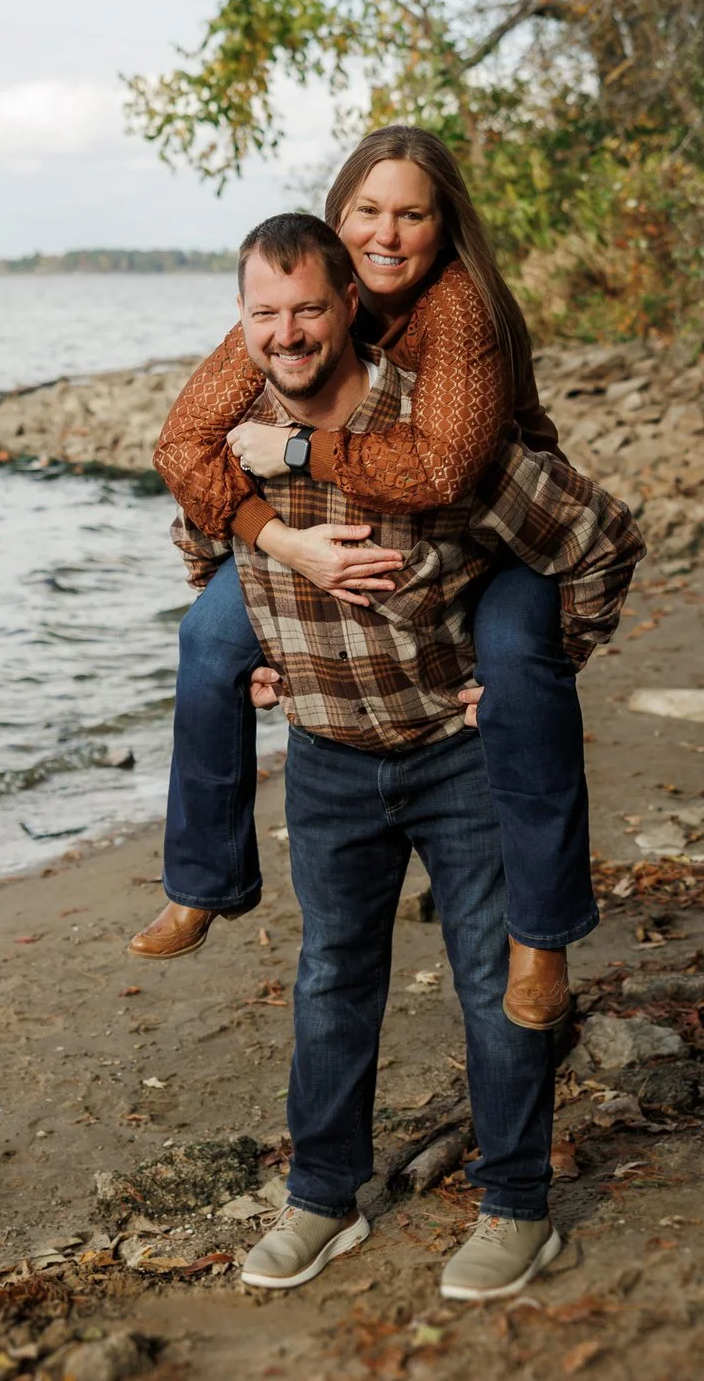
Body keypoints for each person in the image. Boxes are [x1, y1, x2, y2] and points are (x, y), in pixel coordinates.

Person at [174, 212, 620, 1301]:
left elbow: (595, 541)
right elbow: (196, 543)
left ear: (350, 308)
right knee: (331, 979)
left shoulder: (439, 443)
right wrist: (246, 654)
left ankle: (518, 1210)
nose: (287, 333)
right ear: (242, 324)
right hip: (326, 757)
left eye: (308, 309)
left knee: (490, 983)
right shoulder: (231, 445)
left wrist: (526, 676)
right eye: (264, 314)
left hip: (455, 757)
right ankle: (322, 1197)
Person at [135, 126, 643, 1035]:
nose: (387, 233)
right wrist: (280, 551)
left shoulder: (460, 312)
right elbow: (182, 446)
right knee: (209, 640)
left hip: (498, 535)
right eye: (367, 210)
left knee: (523, 676)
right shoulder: (307, 300)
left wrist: (294, 448)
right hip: (364, 528)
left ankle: (544, 935)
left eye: (412, 214)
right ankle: (204, 880)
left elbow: (439, 471)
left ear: (445, 226)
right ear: (336, 222)